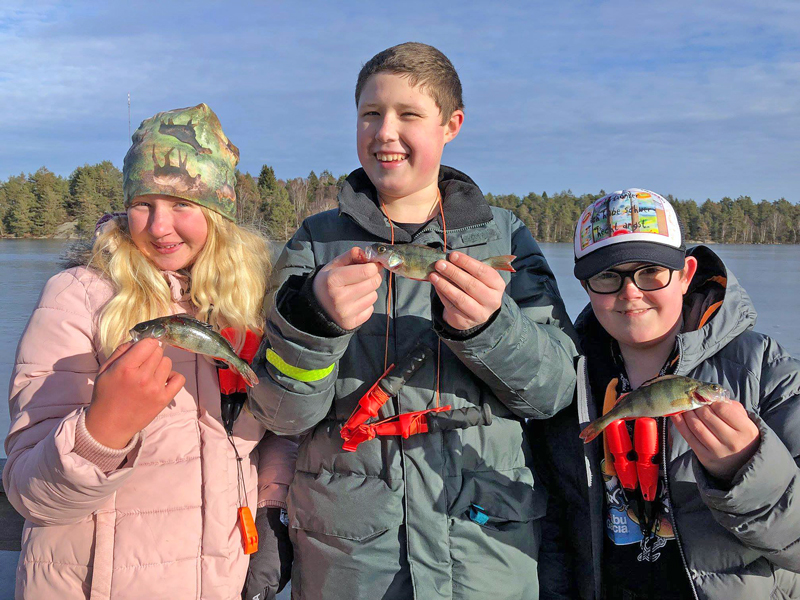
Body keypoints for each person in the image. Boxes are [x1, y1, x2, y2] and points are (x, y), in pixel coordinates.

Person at [247, 42, 577, 599]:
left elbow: (555, 392)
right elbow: (279, 412)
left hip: (486, 556)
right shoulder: (315, 243)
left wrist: (490, 328)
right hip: (348, 561)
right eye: (370, 114)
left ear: (451, 125)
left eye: (409, 115)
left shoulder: (505, 237)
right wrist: (315, 326)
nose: (385, 132)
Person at [3, 103, 296, 599]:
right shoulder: (78, 297)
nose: (159, 227)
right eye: (143, 203)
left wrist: (270, 511)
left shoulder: (249, 303)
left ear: (218, 211)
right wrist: (104, 430)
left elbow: (276, 432)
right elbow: (32, 495)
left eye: (182, 205)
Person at [531, 189, 800, 599]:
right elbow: (554, 533)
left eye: (650, 271)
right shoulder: (564, 378)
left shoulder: (763, 370)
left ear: (686, 273)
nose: (630, 293)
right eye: (607, 276)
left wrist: (747, 469)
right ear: (584, 285)